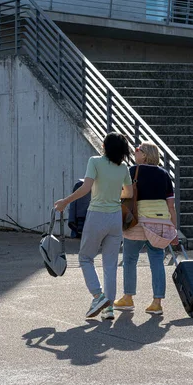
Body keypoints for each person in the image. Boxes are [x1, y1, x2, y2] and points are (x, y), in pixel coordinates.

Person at [54, 132, 133, 320]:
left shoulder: (95, 161)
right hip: (115, 218)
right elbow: (129, 193)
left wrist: (65, 202)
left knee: (85, 258)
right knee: (110, 265)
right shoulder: (123, 168)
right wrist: (113, 193)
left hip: (97, 215)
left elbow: (85, 188)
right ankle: (109, 309)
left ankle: (98, 296)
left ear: (104, 147)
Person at [114, 141, 178, 316]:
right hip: (160, 223)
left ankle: (128, 298)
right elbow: (171, 206)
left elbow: (124, 194)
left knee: (129, 260)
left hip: (137, 222)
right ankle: (157, 302)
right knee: (157, 260)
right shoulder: (165, 174)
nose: (135, 152)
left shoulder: (133, 171)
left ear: (145, 154)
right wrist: (174, 229)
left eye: (138, 150)